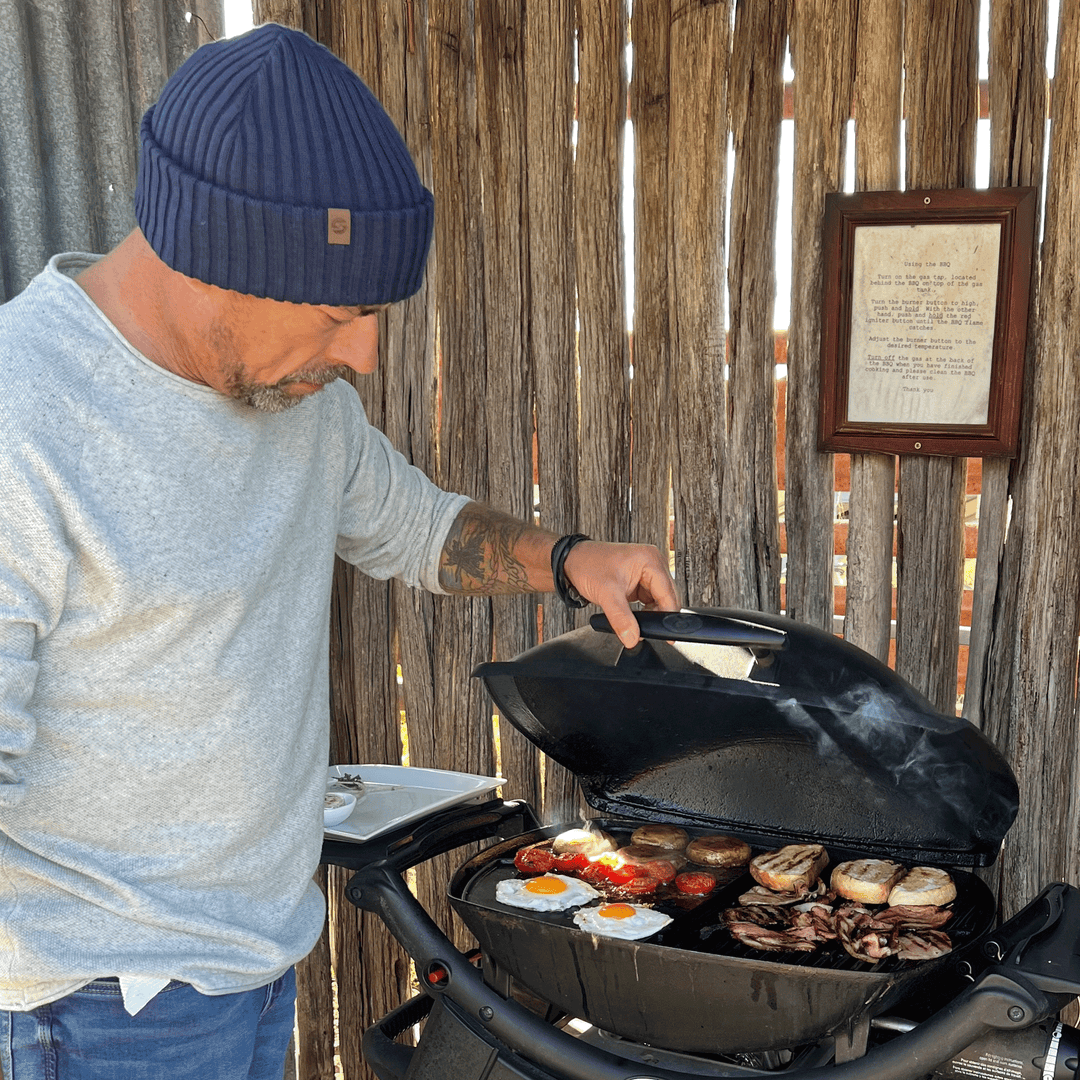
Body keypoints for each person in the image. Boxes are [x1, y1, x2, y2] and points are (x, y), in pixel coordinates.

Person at [0, 22, 679, 1080]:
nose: (363, 352)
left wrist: (567, 558)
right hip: (91, 1008)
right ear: (211, 254)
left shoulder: (297, 402)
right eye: (341, 311)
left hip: (254, 964)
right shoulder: (23, 420)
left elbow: (414, 526)